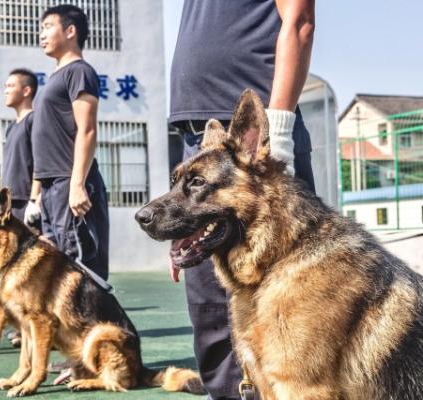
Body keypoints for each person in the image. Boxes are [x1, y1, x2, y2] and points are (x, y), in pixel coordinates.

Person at [169, 1, 316, 399]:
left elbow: (299, 21)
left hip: (253, 139)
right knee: (211, 311)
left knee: (288, 304)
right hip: (201, 138)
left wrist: (279, 126)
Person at [32, 4, 109, 282]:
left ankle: (94, 325)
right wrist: (41, 190)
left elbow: (87, 129)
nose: (41, 34)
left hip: (70, 182)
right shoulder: (54, 78)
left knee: (78, 266)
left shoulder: (79, 71)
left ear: (70, 31)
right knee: (57, 263)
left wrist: (77, 184)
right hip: (54, 185)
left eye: (47, 26)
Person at [3, 68, 42, 227]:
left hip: (26, 201)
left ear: (26, 90)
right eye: (5, 86)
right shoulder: (11, 128)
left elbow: (41, 161)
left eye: (11, 86)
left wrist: (34, 200)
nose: (6, 91)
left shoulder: (34, 120)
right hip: (11, 201)